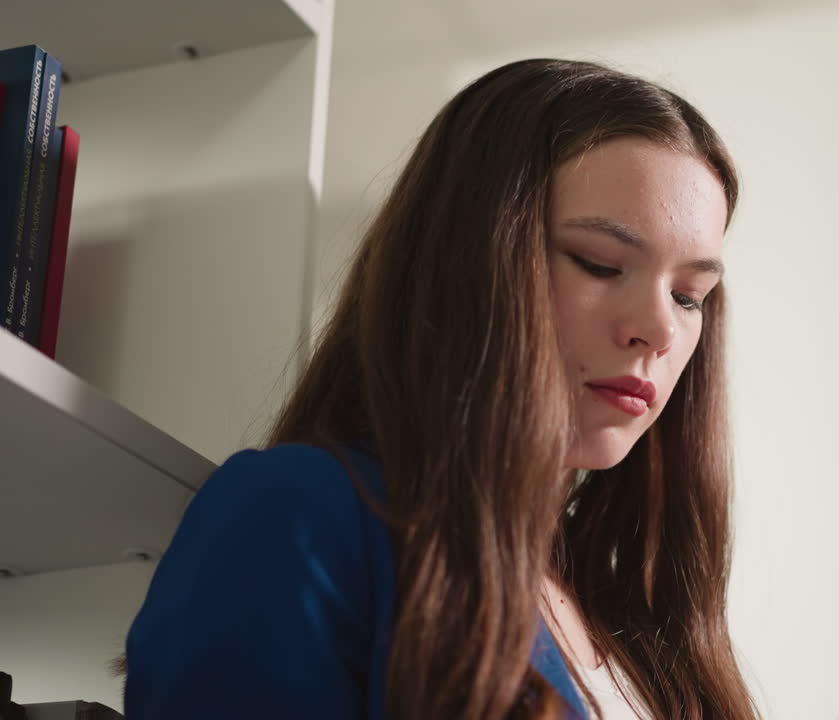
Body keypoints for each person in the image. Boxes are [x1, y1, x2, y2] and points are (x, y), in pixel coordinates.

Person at [122, 58, 759, 720]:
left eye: (690, 296)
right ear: (468, 264)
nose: (658, 328)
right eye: (599, 264)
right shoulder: (297, 515)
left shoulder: (647, 632)